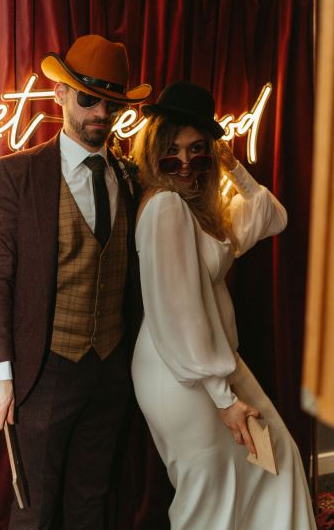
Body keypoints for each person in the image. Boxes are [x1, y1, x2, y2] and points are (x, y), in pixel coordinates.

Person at [0, 34, 151, 529]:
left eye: (111, 103)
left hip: (112, 368)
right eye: (87, 98)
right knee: (33, 510)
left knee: (91, 502)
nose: (100, 112)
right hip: (44, 370)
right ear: (61, 95)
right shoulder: (18, 174)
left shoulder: (130, 177)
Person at [131, 81, 317, 529]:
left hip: (210, 365)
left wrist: (233, 166)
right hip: (184, 372)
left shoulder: (202, 210)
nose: (183, 162)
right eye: (171, 150)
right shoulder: (167, 208)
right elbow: (179, 310)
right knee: (211, 496)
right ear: (153, 150)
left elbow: (272, 215)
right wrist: (222, 396)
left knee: (276, 464)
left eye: (198, 150)